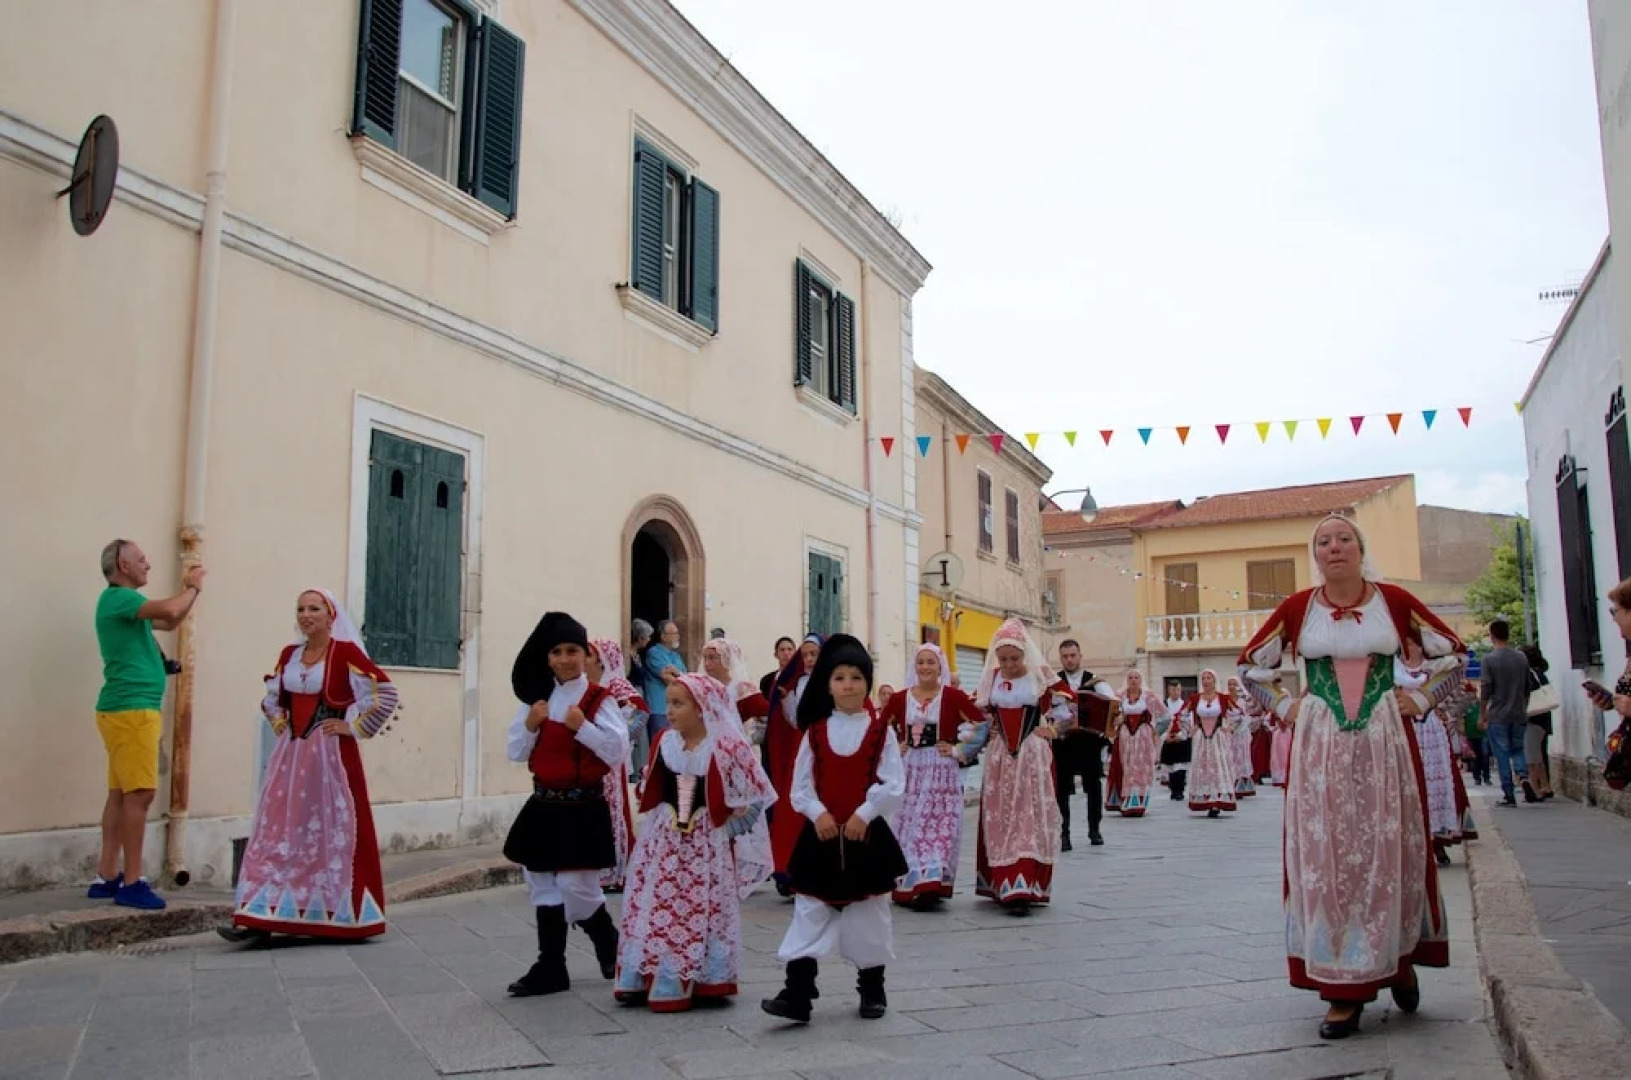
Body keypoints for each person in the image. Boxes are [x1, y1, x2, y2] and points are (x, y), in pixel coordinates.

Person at [1238, 514, 1466, 1041]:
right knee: (1329, 856)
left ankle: (1398, 958)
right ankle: (1342, 991)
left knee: (1390, 850)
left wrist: (1422, 697)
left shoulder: (1395, 602)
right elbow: (1250, 668)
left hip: (1386, 742)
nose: (1334, 547)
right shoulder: (1297, 609)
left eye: (1344, 539)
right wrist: (1287, 707)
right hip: (1320, 748)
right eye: (1324, 541)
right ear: (1314, 554)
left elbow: (1454, 654)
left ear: (1360, 549)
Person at [221, 588, 399, 943]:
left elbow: (385, 694)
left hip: (330, 757)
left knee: (329, 830)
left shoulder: (344, 653)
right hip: (292, 756)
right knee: (280, 830)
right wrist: (281, 726)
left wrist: (352, 727)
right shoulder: (290, 655)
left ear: (331, 616)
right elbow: (273, 701)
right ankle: (262, 914)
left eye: (314, 608)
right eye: (301, 609)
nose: (306, 615)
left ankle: (334, 915)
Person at [762, 634, 906, 1024]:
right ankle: (797, 993)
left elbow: (893, 782)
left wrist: (865, 813)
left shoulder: (881, 731)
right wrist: (818, 814)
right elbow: (800, 787)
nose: (848, 684)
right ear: (828, 684)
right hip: (822, 838)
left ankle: (872, 987)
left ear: (868, 682)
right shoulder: (816, 732)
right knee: (810, 910)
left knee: (869, 913)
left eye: (856, 677)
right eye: (840, 677)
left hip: (866, 837)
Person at [614, 673, 776, 1011]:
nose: (669, 711)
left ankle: (692, 975)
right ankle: (643, 970)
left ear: (702, 708)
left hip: (706, 841)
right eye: (669, 703)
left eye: (678, 704)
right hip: (664, 838)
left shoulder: (726, 746)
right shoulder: (664, 741)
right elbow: (651, 786)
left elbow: (754, 791)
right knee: (655, 898)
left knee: (697, 901)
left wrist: (733, 818)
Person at [502, 612, 628, 997]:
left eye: (572, 650)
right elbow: (515, 752)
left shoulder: (598, 700)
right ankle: (551, 966)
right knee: (542, 883)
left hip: (581, 806)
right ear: (548, 658)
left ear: (586, 655)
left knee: (578, 885)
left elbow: (618, 751)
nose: (565, 658)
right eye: (557, 652)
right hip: (544, 804)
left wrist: (583, 728)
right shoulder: (536, 702)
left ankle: (610, 942)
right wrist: (530, 725)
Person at [90, 539, 206, 911]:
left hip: (122, 711)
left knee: (120, 795)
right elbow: (172, 607)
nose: (148, 564)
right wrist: (193, 586)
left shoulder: (122, 605)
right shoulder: (120, 598)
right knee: (139, 796)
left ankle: (106, 876)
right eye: (141, 559)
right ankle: (132, 882)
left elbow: (171, 619)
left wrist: (191, 593)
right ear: (123, 566)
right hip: (133, 711)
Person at [962, 619, 1067, 908]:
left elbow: (1067, 706)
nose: (1008, 664)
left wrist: (1054, 730)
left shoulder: (1039, 676)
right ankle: (1005, 881)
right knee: (1003, 815)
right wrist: (968, 744)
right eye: (1003, 658)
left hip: (1031, 755)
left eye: (1014, 658)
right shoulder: (992, 679)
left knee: (1030, 816)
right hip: (1001, 759)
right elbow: (976, 713)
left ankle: (1026, 882)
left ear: (1025, 655)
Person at [879, 644, 984, 906]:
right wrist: (896, 748)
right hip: (911, 768)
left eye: (931, 662)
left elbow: (980, 725)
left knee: (941, 823)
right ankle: (910, 880)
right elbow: (879, 729)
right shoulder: (899, 698)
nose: (925, 667)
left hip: (941, 769)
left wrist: (958, 748)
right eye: (921, 662)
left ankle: (931, 880)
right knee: (910, 823)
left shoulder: (953, 697)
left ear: (940, 667)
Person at [1397, 642, 1470, 866]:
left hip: (1431, 728)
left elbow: (1460, 662)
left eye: (1415, 641)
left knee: (1434, 788)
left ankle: (1437, 842)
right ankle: (1414, 844)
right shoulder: (1393, 668)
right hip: (1404, 728)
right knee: (1409, 786)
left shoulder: (1435, 667)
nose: (1410, 646)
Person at [764, 635, 823, 894]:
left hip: (825, 746)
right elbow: (794, 720)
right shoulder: (798, 682)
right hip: (804, 746)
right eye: (806, 654)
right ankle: (790, 869)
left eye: (815, 654)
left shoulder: (833, 680)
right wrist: (787, 700)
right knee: (794, 807)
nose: (810, 659)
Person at [588, 638, 647, 893]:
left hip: (611, 761)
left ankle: (615, 870)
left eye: (589, 654)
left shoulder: (617, 685)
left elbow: (640, 713)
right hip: (588, 758)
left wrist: (618, 733)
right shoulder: (583, 686)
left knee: (613, 811)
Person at [1051, 640, 1110, 848]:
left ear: (1080, 656)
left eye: (1073, 655)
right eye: (1065, 656)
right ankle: (1063, 833)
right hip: (1063, 742)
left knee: (1093, 787)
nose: (1069, 659)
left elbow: (1111, 706)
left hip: (1089, 742)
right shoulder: (1053, 683)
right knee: (1061, 790)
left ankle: (1094, 830)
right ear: (1061, 658)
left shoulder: (1095, 682)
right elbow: (1045, 710)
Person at [1479, 620, 1533, 806]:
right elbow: (1528, 685)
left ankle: (1509, 793)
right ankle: (1524, 776)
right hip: (1519, 713)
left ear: (1492, 636)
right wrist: (1524, 704)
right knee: (1518, 749)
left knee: (1502, 753)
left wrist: (1483, 712)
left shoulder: (1489, 659)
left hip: (1499, 714)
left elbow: (1486, 687)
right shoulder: (1521, 658)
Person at [1177, 670, 1240, 819]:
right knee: (1203, 766)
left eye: (1209, 678)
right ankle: (1205, 797)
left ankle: (1216, 800)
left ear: (1214, 680)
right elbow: (1182, 714)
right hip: (1201, 737)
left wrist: (1230, 727)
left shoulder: (1223, 698)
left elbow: (1239, 714)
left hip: (1218, 737)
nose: (1206, 681)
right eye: (1203, 678)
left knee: (1218, 766)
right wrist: (1189, 729)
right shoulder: (1195, 698)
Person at [1108, 670, 1165, 816]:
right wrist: (1115, 726)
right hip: (1125, 737)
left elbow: (1165, 716)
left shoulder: (1149, 697)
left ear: (1141, 679)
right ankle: (1125, 800)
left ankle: (1139, 802)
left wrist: (1155, 731)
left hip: (1143, 737)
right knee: (1126, 767)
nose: (1133, 680)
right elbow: (1110, 715)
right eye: (1130, 678)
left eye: (1136, 677)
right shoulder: (1119, 696)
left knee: (1141, 769)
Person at [641, 620, 688, 742]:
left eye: (677, 633)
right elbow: (667, 678)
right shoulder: (654, 653)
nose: (677, 636)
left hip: (676, 709)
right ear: (663, 636)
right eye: (674, 633)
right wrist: (680, 676)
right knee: (659, 748)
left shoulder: (676, 656)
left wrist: (677, 673)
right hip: (659, 709)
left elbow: (687, 678)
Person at [1521, 644, 1555, 800]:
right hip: (1543, 717)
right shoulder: (1540, 672)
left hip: (1533, 717)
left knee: (1531, 757)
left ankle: (1535, 789)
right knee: (1539, 754)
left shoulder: (1528, 673)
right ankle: (1546, 786)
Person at [1160, 680, 1193, 799]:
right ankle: (1173, 789)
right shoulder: (1163, 705)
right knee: (1171, 766)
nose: (1175, 692)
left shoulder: (1186, 705)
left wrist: (1181, 735)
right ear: (1168, 690)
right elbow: (1160, 723)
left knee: (1181, 766)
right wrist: (1166, 736)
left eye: (1178, 690)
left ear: (1181, 690)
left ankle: (1180, 790)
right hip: (1168, 739)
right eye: (1173, 690)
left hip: (1181, 739)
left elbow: (1189, 722)